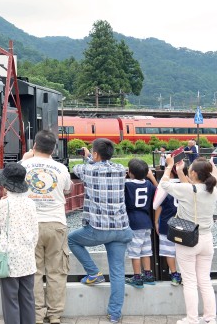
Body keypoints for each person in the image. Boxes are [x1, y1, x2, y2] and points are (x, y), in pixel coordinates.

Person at [67, 138, 133, 324]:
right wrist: (92, 156)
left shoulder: (86, 169)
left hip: (98, 229)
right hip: (121, 228)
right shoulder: (121, 170)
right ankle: (114, 314)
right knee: (117, 272)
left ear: (95, 154)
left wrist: (87, 157)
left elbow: (80, 169)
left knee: (72, 239)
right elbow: (101, 163)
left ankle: (94, 273)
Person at [20, 130, 72, 324]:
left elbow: (12, 183)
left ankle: (37, 315)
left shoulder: (23, 165)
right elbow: (67, 188)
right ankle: (55, 314)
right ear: (54, 149)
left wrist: (25, 158)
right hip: (56, 223)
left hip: (30, 225)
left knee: (34, 272)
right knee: (56, 271)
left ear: (34, 146)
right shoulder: (61, 168)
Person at [159, 156, 217, 324]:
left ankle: (192, 319)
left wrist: (170, 167)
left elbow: (164, 184)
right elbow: (193, 189)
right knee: (204, 281)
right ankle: (210, 318)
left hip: (188, 240)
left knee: (190, 281)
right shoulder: (213, 189)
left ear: (193, 173)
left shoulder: (185, 189)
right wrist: (181, 170)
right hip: (206, 240)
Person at [0, 163, 38, 324]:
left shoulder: (4, 204)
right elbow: (35, 233)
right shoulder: (31, 203)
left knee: (10, 300)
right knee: (28, 299)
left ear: (5, 184)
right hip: (27, 258)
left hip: (9, 259)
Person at [123, 159, 157, 288]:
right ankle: (148, 274)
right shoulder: (148, 184)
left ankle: (137, 276)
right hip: (146, 221)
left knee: (134, 251)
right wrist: (152, 177)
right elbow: (158, 190)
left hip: (134, 221)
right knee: (146, 250)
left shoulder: (127, 185)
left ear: (130, 173)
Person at [153, 162, 185, 287]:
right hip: (184, 224)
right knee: (184, 251)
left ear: (170, 172)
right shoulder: (185, 185)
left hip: (167, 223)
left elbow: (159, 206)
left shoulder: (166, 186)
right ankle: (185, 275)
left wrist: (156, 222)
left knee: (169, 251)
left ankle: (174, 275)